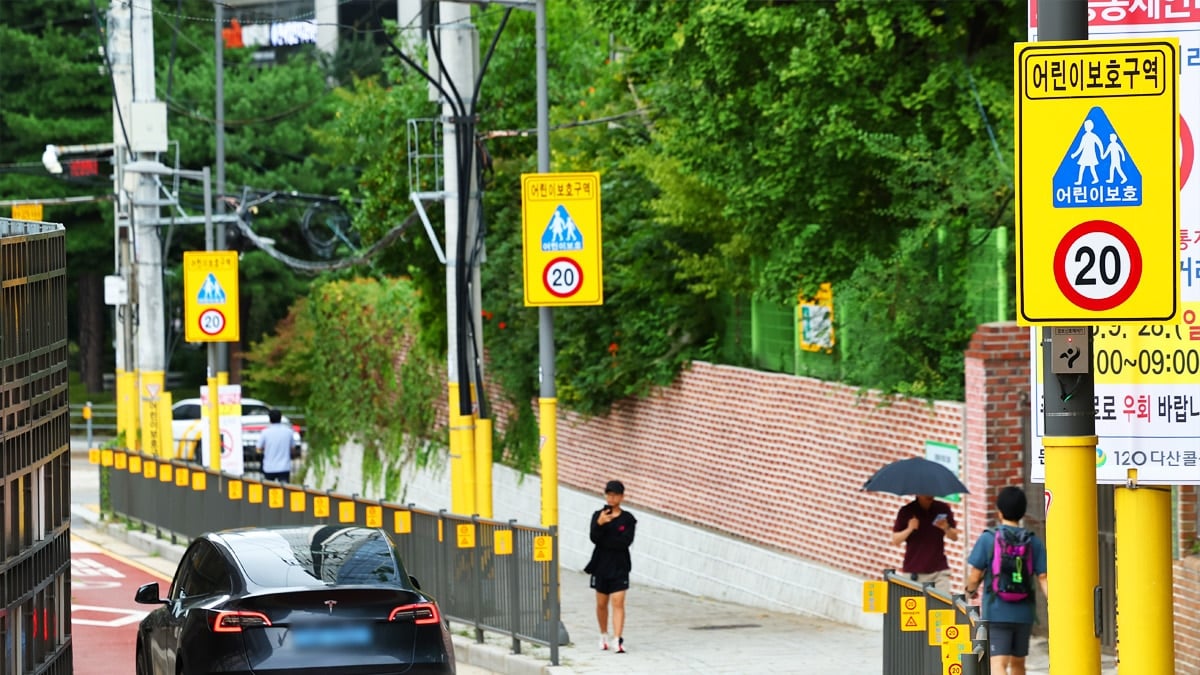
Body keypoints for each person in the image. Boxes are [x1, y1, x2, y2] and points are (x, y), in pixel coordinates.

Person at [964, 486, 1048, 675]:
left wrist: (969, 591)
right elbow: (1043, 577)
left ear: (999, 511)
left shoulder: (988, 538)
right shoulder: (1033, 541)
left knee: (998, 665)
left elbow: (975, 575)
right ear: (1023, 512)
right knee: (1018, 664)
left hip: (996, 612)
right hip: (1024, 613)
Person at [585, 480, 637, 654]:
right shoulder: (597, 515)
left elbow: (625, 542)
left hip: (620, 565)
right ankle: (603, 634)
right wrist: (599, 523)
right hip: (601, 564)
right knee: (601, 603)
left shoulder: (628, 519)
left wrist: (605, 538)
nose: (611, 497)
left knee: (618, 601)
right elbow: (593, 537)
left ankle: (617, 639)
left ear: (622, 497)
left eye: (615, 494)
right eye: (608, 494)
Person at [891, 494, 959, 593]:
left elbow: (954, 537)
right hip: (915, 571)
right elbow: (895, 540)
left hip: (939, 571)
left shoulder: (942, 508)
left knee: (942, 606)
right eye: (925, 492)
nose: (929, 494)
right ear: (917, 493)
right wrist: (909, 529)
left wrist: (946, 527)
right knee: (916, 608)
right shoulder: (907, 511)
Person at [257, 408, 295, 483]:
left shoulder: (265, 432)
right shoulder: (288, 432)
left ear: (270, 419)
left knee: (269, 491)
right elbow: (292, 448)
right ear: (281, 418)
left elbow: (258, 448)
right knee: (284, 491)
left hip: (269, 467)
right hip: (284, 467)